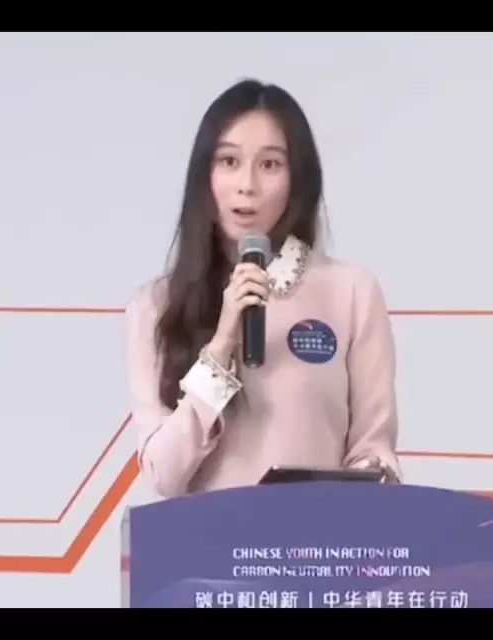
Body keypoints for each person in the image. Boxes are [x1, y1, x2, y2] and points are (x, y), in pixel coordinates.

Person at [124, 78, 401, 499]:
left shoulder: (351, 292)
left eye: (270, 164)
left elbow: (372, 448)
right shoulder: (155, 307)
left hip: (318, 537)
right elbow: (163, 475)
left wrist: (369, 482)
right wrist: (221, 348)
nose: (247, 185)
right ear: (204, 175)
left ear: (297, 180)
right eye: (229, 161)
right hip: (210, 541)